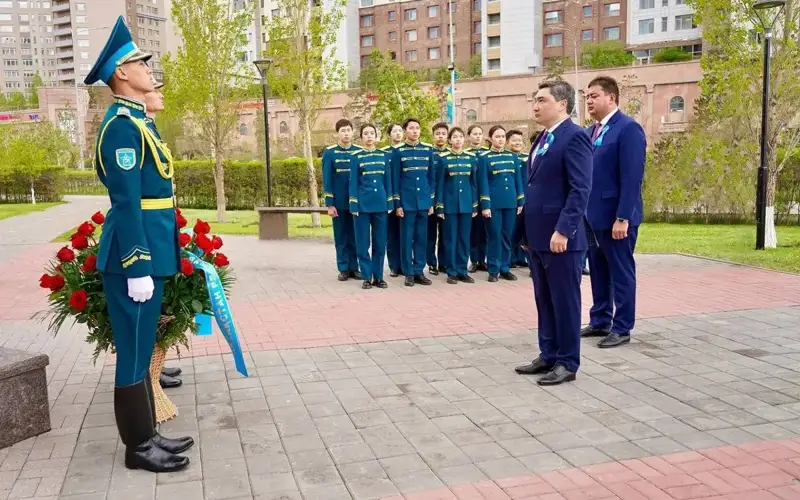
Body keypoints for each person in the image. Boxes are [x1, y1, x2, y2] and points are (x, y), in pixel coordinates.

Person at [85, 16, 192, 472]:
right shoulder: (121, 128)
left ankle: (149, 435)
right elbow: (127, 203)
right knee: (132, 351)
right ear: (121, 73)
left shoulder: (137, 123)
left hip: (150, 250)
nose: (148, 68)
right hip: (135, 256)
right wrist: (137, 265)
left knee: (142, 345)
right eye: (139, 62)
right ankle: (137, 449)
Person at [514, 80, 592, 386]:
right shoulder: (544, 138)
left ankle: (567, 361)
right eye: (534, 100)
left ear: (561, 104)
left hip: (561, 240)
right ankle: (548, 353)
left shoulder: (575, 137)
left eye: (541, 100)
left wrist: (564, 230)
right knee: (544, 299)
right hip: (537, 237)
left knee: (565, 301)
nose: (535, 105)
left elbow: (580, 189)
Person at [582, 76, 646, 348]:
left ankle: (622, 327)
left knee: (620, 272)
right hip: (592, 217)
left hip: (617, 218)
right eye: (587, 97)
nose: (589, 101)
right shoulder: (589, 132)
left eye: (594, 96)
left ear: (611, 98)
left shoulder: (628, 128)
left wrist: (623, 217)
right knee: (597, 271)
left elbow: (631, 177)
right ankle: (600, 320)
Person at [143, 80, 183, 391]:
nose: (161, 94)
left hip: (159, 224)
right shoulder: (133, 129)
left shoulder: (150, 128)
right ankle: (148, 371)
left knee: (155, 308)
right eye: (156, 90)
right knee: (145, 313)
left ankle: (154, 366)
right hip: (147, 232)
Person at [392, 118, 435, 287]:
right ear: (405, 131)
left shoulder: (428, 150)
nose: (415, 131)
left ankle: (419, 271)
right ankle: (408, 272)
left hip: (423, 202)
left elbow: (431, 178)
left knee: (421, 238)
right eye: (411, 128)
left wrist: (430, 200)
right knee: (406, 238)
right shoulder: (399, 152)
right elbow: (396, 179)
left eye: (417, 128)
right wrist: (398, 204)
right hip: (407, 202)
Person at [350, 124, 393, 290]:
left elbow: (387, 181)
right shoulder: (356, 157)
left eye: (372, 133)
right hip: (362, 205)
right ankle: (367, 277)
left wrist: (390, 202)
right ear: (361, 137)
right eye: (366, 134)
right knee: (362, 243)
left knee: (380, 242)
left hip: (381, 204)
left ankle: (379, 277)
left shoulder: (384, 156)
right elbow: (353, 182)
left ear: (377, 136)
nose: (369, 136)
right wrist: (353, 203)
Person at [435, 127, 481, 284]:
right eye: (455, 137)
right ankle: (451, 271)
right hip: (449, 206)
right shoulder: (444, 159)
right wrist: (439, 206)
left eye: (461, 137)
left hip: (467, 205)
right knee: (450, 239)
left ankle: (463, 270)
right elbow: (439, 184)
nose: (458, 140)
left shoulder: (470, 158)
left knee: (464, 239)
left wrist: (475, 206)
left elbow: (473, 184)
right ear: (450, 140)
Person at [479, 125, 524, 282]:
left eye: (503, 137)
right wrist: (485, 205)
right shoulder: (484, 157)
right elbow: (483, 182)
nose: (500, 139)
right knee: (494, 235)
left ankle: (505, 267)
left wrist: (520, 201)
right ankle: (493, 269)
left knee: (507, 236)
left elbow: (518, 180)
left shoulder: (513, 157)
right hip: (493, 204)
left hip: (510, 202)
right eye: (497, 136)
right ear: (491, 139)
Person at [322, 119, 362, 281]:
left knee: (356, 235)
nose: (346, 133)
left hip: (357, 202)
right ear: (337, 133)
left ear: (353, 132)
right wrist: (329, 204)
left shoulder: (359, 151)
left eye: (348, 130)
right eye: (343, 130)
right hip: (338, 202)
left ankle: (355, 267)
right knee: (341, 235)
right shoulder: (330, 153)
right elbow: (327, 179)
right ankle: (344, 267)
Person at [465, 124, 490, 273]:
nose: (477, 136)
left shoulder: (487, 154)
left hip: (486, 196)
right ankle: (474, 260)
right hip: (471, 197)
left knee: (485, 230)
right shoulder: (466, 154)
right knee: (473, 231)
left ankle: (483, 259)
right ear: (469, 136)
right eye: (474, 134)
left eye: (480, 134)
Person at [427, 122, 449, 276]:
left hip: (447, 201)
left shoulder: (451, 153)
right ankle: (431, 263)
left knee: (446, 234)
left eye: (443, 133)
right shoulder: (428, 153)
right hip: (429, 201)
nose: (440, 136)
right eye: (438, 133)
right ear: (433, 136)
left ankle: (444, 262)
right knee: (430, 234)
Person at [506, 129, 529, 269]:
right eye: (514, 140)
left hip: (526, 198)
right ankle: (511, 258)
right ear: (508, 142)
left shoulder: (527, 157)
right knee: (511, 229)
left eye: (520, 140)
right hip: (510, 198)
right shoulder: (506, 158)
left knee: (524, 228)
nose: (517, 143)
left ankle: (522, 257)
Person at [384, 123, 405, 277]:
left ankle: (405, 264)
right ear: (389, 135)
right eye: (394, 131)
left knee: (406, 234)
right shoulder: (384, 153)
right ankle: (393, 265)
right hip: (389, 198)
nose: (398, 134)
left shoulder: (408, 150)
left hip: (406, 198)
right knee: (392, 234)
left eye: (400, 131)